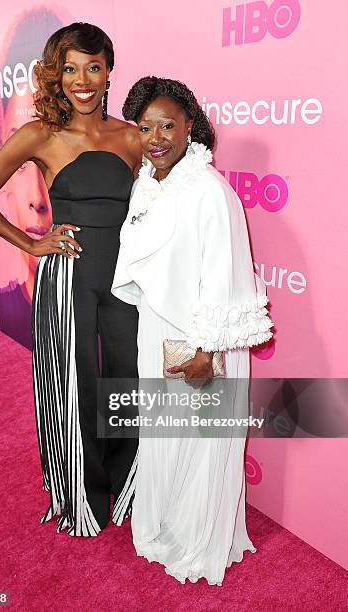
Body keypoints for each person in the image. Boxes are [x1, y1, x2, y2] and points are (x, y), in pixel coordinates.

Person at [0, 22, 142, 537]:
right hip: (68, 281)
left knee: (128, 383)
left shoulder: (131, 136)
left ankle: (130, 484)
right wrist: (33, 243)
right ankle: (84, 496)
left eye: (93, 67)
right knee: (75, 389)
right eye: (69, 68)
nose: (81, 80)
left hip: (127, 281)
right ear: (54, 74)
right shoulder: (40, 134)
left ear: (109, 72)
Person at [112, 77, 274, 584]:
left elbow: (224, 273)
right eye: (145, 127)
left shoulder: (209, 190)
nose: (156, 137)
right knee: (166, 433)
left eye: (167, 125)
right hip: (157, 329)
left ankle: (198, 538)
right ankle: (164, 525)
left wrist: (205, 350)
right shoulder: (147, 181)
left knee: (201, 438)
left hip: (203, 335)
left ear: (190, 127)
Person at [0, 8, 63, 350]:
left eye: (51, 157)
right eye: (21, 162)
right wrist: (33, 245)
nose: (38, 198)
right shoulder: (1, 310)